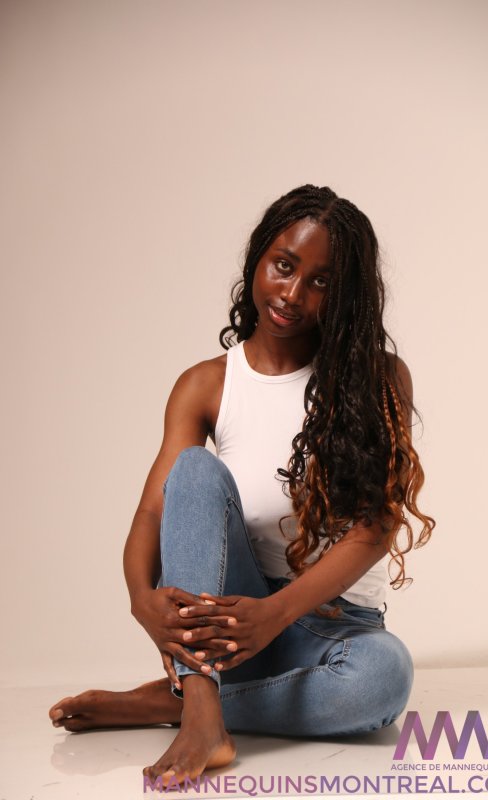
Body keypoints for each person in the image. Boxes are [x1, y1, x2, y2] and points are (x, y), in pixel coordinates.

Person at [49, 185, 434, 787]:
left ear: (346, 295)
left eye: (321, 282)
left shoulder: (379, 378)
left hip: (332, 626)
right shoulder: (206, 385)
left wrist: (275, 614)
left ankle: (174, 704)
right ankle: (203, 710)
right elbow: (152, 513)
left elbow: (376, 527)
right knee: (194, 470)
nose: (293, 293)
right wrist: (140, 599)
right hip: (226, 621)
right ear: (258, 258)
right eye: (284, 266)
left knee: (383, 679)